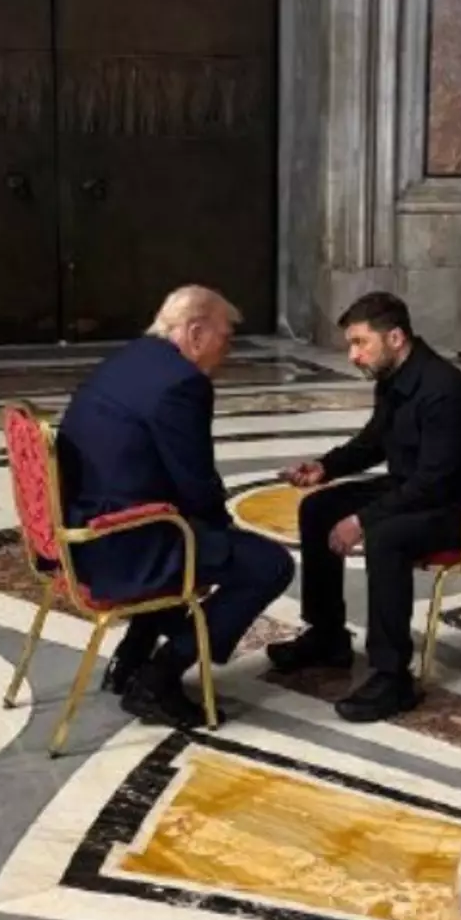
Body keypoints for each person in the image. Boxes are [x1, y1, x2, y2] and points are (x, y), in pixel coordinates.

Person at [56, 286, 293, 729]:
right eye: (226, 337)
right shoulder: (182, 383)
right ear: (196, 332)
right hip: (124, 546)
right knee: (267, 565)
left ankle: (130, 659)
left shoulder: (129, 359)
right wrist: (223, 538)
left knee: (195, 541)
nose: (229, 349)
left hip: (83, 532)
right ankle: (158, 678)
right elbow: (196, 482)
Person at [270, 292, 461, 723]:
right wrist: (325, 467)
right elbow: (375, 440)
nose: (353, 355)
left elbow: (435, 483)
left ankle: (392, 676)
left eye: (360, 343)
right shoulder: (394, 377)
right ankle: (327, 635)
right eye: (351, 345)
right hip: (416, 487)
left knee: (387, 537)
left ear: (395, 337)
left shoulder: (443, 390)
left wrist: (362, 520)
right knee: (318, 509)